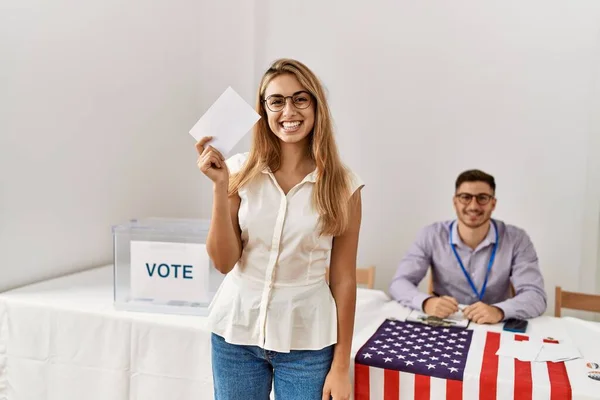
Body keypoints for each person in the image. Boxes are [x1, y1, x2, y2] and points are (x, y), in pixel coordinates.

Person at [195, 58, 364, 400]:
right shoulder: (238, 171)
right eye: (277, 101)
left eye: (301, 98)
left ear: (317, 107)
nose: (289, 110)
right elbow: (224, 263)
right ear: (264, 109)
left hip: (307, 342)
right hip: (236, 335)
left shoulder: (343, 185)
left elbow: (344, 278)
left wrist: (341, 366)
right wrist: (219, 186)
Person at [389, 169, 547, 324]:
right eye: (465, 197)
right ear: (455, 202)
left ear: (493, 203)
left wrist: (499, 311)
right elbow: (399, 283)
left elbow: (535, 296)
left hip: (494, 326)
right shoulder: (431, 235)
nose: (473, 206)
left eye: (482, 198)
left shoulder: (517, 239)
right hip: (447, 323)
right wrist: (426, 302)